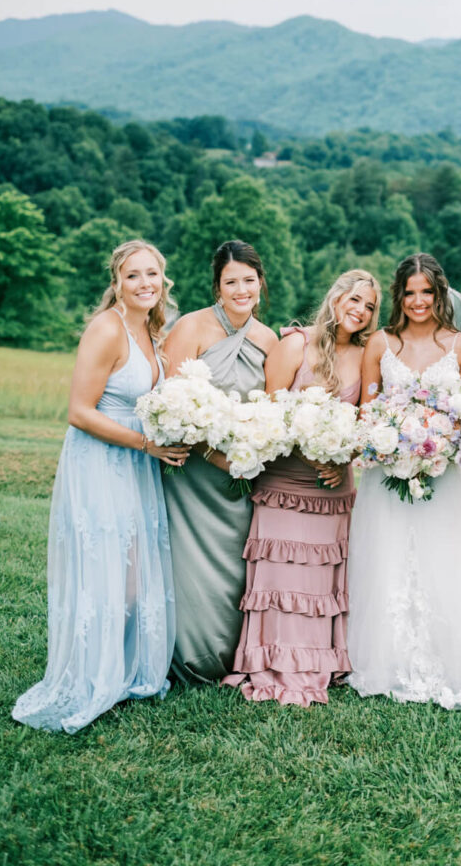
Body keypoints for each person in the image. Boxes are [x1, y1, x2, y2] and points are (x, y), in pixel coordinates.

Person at [12, 241, 185, 733]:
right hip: (101, 460)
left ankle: (125, 669)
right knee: (106, 568)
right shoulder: (107, 328)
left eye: (152, 274)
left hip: (134, 463)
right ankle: (94, 676)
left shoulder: (151, 329)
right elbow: (79, 411)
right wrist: (144, 443)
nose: (145, 283)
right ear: (117, 283)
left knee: (131, 572)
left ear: (163, 279)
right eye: (133, 276)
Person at [347, 253, 461, 708]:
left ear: (439, 294)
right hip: (389, 475)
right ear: (399, 296)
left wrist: (442, 441)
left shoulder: (460, 345)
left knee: (449, 561)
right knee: (390, 561)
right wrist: (389, 441)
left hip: (446, 474)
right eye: (409, 292)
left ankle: (456, 659)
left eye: (427, 291)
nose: (418, 301)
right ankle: (391, 661)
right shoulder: (380, 344)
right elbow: (368, 410)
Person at [224, 269, 381, 706]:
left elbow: (366, 421)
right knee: (281, 576)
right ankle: (274, 662)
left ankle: (320, 662)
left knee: (319, 584)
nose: (360, 310)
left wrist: (341, 458)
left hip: (332, 487)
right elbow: (269, 415)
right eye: (354, 299)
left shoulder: (368, 353)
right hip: (285, 481)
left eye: (369, 306)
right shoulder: (295, 343)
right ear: (335, 299)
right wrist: (307, 451)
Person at [162, 240, 278, 684]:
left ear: (260, 283)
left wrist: (245, 456)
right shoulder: (191, 328)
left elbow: (271, 412)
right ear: (217, 286)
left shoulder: (269, 340)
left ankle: (229, 655)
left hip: (239, 480)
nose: (242, 289)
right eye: (232, 281)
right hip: (192, 476)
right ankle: (185, 656)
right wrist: (213, 454)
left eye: (249, 280)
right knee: (189, 570)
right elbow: (168, 406)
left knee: (233, 569)